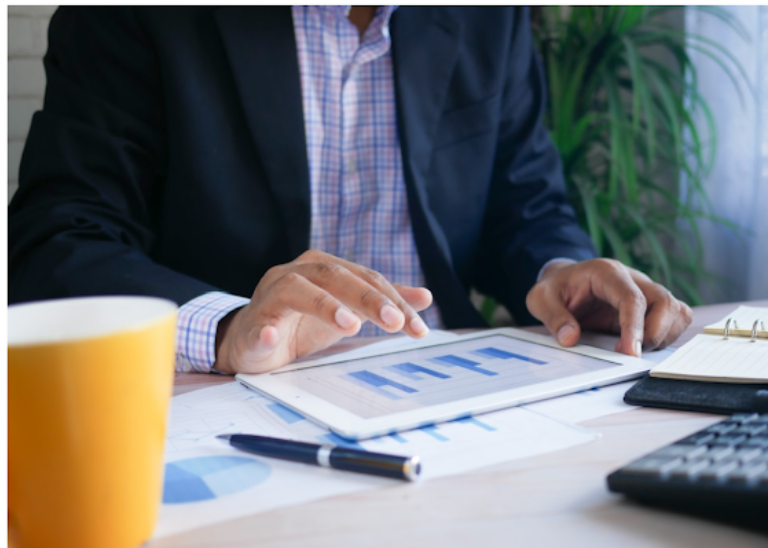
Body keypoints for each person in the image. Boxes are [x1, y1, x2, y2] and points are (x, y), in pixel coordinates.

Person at [8, 6, 692, 375]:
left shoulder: (489, 15)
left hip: (451, 385)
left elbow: (524, 203)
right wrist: (226, 326)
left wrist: (561, 270)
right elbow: (55, 240)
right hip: (233, 394)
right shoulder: (131, 14)